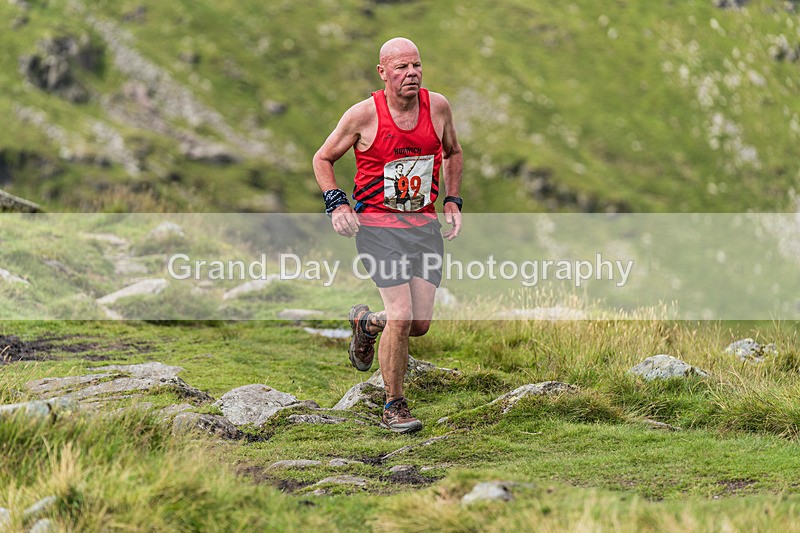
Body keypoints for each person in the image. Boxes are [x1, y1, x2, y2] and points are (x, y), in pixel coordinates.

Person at [312, 37, 463, 433]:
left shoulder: (438, 107)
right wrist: (337, 204)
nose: (412, 73)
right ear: (383, 73)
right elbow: (322, 158)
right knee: (401, 315)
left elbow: (453, 152)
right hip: (378, 228)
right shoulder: (363, 116)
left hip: (423, 226)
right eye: (401, 67)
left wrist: (452, 199)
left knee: (418, 323)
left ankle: (366, 323)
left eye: (416, 65)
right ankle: (394, 405)